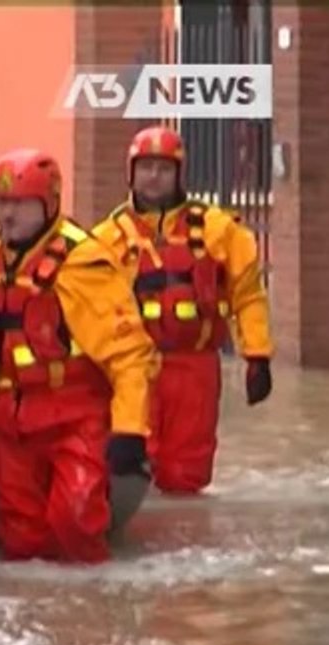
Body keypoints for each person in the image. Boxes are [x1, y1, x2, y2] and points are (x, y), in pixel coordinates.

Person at [0, 149, 159, 564]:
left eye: (20, 203)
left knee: (74, 520)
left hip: (72, 414)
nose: (8, 214)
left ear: (49, 203)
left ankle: (89, 617)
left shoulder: (83, 260)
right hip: (9, 418)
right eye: (2, 204)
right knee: (20, 536)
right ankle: (31, 616)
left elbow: (128, 354)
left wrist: (130, 430)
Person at [90, 125, 273, 495]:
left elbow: (248, 295)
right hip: (131, 368)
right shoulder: (105, 240)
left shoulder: (218, 230)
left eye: (163, 168)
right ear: (131, 172)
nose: (153, 177)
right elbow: (86, 308)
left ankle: (184, 542)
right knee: (129, 469)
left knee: (186, 474)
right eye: (145, 167)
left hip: (195, 368)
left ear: (178, 174)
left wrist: (258, 355)